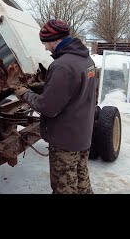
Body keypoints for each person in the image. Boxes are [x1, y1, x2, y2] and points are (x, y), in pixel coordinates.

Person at [14, 19, 97, 194]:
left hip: (65, 141)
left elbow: (48, 107)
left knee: (64, 188)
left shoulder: (62, 66)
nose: (45, 48)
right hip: (82, 135)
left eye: (45, 43)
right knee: (82, 184)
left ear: (54, 40)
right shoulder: (85, 59)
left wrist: (24, 93)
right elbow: (75, 91)